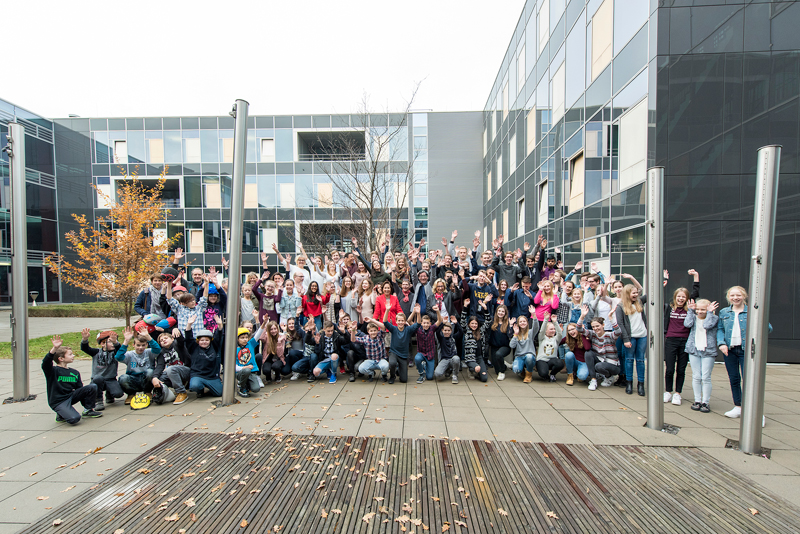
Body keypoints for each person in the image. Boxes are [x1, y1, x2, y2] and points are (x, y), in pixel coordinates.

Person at [717, 286, 772, 421]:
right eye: (732, 295)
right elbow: (720, 329)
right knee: (734, 379)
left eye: (738, 295)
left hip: (746, 351)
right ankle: (738, 406)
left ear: (744, 296)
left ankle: (756, 412)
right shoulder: (724, 312)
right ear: (728, 297)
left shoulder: (752, 311)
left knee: (750, 380)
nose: (735, 298)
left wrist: (760, 316)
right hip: (730, 351)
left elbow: (768, 328)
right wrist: (721, 343)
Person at [43, 335, 102, 424]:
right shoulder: (52, 371)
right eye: (70, 354)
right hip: (58, 402)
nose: (73, 356)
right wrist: (54, 349)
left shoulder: (75, 373)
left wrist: (86, 403)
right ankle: (60, 414)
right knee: (74, 419)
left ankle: (88, 410)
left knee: (92, 387)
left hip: (70, 396)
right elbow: (46, 363)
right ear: (61, 359)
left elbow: (80, 390)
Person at [663, 270, 700, 406]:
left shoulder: (689, 309)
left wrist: (696, 276)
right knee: (669, 368)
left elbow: (695, 292)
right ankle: (668, 391)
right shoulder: (669, 308)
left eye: (683, 297)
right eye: (679, 296)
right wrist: (664, 280)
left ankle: (678, 393)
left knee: (681, 369)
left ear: (687, 298)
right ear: (675, 297)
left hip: (685, 341)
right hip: (671, 340)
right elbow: (658, 296)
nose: (681, 299)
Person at [684, 299, 719, 413]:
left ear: (708, 309)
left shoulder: (714, 318)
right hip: (694, 349)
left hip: (708, 350)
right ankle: (697, 400)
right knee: (696, 376)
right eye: (697, 309)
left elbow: (707, 325)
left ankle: (705, 402)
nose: (699, 311)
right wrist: (690, 311)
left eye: (703, 309)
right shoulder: (693, 317)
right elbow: (687, 324)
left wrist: (709, 313)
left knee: (706, 377)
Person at [577, 306, 622, 392]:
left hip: (612, 364)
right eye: (593, 327)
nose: (595, 328)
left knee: (599, 366)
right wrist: (582, 316)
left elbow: (618, 332)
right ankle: (593, 380)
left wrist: (611, 318)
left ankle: (609, 377)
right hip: (600, 360)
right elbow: (579, 328)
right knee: (588, 353)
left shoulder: (609, 335)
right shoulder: (592, 334)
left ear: (603, 325)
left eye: (597, 326)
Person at [114, 325, 162, 403]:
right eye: (138, 345)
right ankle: (131, 394)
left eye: (143, 345)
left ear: (146, 345)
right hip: (133, 379)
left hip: (146, 379)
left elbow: (157, 349)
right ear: (133, 345)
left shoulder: (149, 352)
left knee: (150, 372)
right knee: (123, 378)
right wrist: (126, 341)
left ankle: (148, 392)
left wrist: (148, 336)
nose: (140, 347)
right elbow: (118, 357)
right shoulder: (129, 354)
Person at [615, 284, 648, 396]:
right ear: (627, 294)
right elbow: (620, 324)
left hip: (642, 335)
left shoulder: (639, 302)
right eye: (633, 293)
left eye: (636, 293)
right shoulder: (620, 307)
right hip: (630, 337)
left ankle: (641, 384)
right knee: (629, 360)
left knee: (640, 360)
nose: (636, 295)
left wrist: (661, 284)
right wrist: (625, 339)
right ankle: (629, 382)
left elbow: (650, 295)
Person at [80, 329, 123, 410]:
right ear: (102, 344)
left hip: (110, 379)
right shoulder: (96, 352)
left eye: (114, 341)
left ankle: (109, 394)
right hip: (97, 380)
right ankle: (98, 400)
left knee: (118, 394)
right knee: (98, 378)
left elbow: (120, 350)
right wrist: (85, 339)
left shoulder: (115, 353)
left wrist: (115, 342)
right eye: (110, 342)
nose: (113, 344)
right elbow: (85, 348)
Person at [185, 315, 224, 398]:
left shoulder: (214, 346)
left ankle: (209, 389)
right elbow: (188, 338)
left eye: (207, 340)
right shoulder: (194, 347)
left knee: (219, 393)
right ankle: (200, 390)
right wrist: (189, 325)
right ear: (198, 341)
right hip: (198, 375)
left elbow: (219, 335)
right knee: (194, 386)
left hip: (212, 376)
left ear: (210, 340)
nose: (204, 342)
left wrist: (220, 325)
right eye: (202, 340)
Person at [153, 328, 191, 405]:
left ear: (172, 339)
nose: (163, 340)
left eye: (166, 338)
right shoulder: (162, 352)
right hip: (173, 372)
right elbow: (160, 366)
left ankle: (181, 392)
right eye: (161, 340)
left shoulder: (177, 345)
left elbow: (181, 341)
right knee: (161, 379)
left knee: (170, 369)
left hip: (187, 371)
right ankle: (168, 393)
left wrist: (177, 331)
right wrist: (155, 377)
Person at [509, 306, 541, 383]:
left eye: (524, 321)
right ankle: (522, 371)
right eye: (520, 322)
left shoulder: (530, 332)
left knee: (529, 357)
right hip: (519, 356)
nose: (522, 323)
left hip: (529, 355)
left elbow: (536, 327)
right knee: (516, 370)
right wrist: (515, 334)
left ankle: (529, 374)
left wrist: (533, 314)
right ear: (518, 324)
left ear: (527, 323)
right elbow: (512, 346)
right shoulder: (516, 333)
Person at [234, 318, 264, 397]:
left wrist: (264, 323)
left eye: (246, 337)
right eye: (242, 338)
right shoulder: (234, 349)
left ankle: (247, 384)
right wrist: (244, 368)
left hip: (251, 372)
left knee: (256, 389)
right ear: (237, 339)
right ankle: (241, 386)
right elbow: (234, 367)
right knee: (246, 370)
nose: (245, 340)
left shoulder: (250, 344)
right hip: (241, 372)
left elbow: (259, 333)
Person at [413, 305, 442, 383]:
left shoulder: (432, 328)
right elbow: (410, 322)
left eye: (427, 323)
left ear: (430, 323)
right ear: (421, 323)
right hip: (421, 353)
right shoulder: (418, 329)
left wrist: (437, 311)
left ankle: (425, 365)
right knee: (417, 358)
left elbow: (439, 320)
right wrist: (416, 313)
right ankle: (421, 373)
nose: (426, 325)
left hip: (430, 355)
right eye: (424, 323)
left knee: (429, 377)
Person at [434, 315, 463, 384]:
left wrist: (456, 323)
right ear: (442, 330)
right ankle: (447, 370)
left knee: (456, 359)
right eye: (445, 330)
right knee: (437, 374)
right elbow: (437, 331)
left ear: (451, 331)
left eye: (448, 330)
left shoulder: (454, 337)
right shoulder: (441, 338)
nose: (447, 332)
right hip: (445, 359)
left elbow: (461, 332)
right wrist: (442, 323)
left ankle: (455, 375)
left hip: (453, 359)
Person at [536, 313, 565, 381]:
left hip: (552, 360)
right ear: (546, 331)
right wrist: (546, 319)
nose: (553, 331)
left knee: (560, 363)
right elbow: (542, 330)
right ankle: (545, 374)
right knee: (543, 373)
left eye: (554, 329)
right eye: (551, 329)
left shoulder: (556, 339)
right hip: (542, 360)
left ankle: (552, 374)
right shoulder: (542, 338)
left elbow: (559, 333)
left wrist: (555, 322)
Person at [487, 304, 513, 380]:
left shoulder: (508, 322)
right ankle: (504, 365)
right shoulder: (492, 321)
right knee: (496, 370)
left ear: (505, 313)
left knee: (499, 355)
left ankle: (502, 373)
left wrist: (511, 326)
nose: (500, 313)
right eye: (499, 311)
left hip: (505, 346)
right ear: (496, 312)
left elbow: (510, 335)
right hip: (494, 346)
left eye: (502, 311)